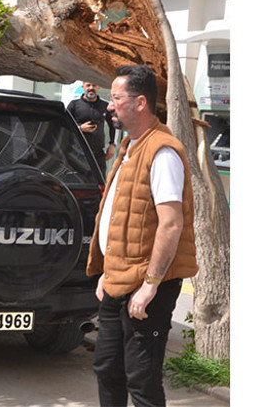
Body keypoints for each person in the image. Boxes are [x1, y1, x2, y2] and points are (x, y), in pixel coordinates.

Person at [86, 65, 199, 407]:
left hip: (146, 286)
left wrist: (151, 285)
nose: (108, 105)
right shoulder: (129, 146)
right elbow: (124, 217)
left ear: (139, 103)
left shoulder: (162, 152)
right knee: (107, 368)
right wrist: (107, 269)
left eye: (116, 98)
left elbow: (170, 224)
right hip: (117, 278)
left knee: (142, 378)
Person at [66, 81, 117, 177]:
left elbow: (114, 125)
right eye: (88, 85)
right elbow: (64, 124)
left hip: (98, 155)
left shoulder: (105, 106)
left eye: (94, 85)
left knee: (99, 185)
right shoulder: (74, 104)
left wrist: (112, 145)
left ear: (99, 87)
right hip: (77, 154)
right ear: (83, 87)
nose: (91, 88)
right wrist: (80, 128)